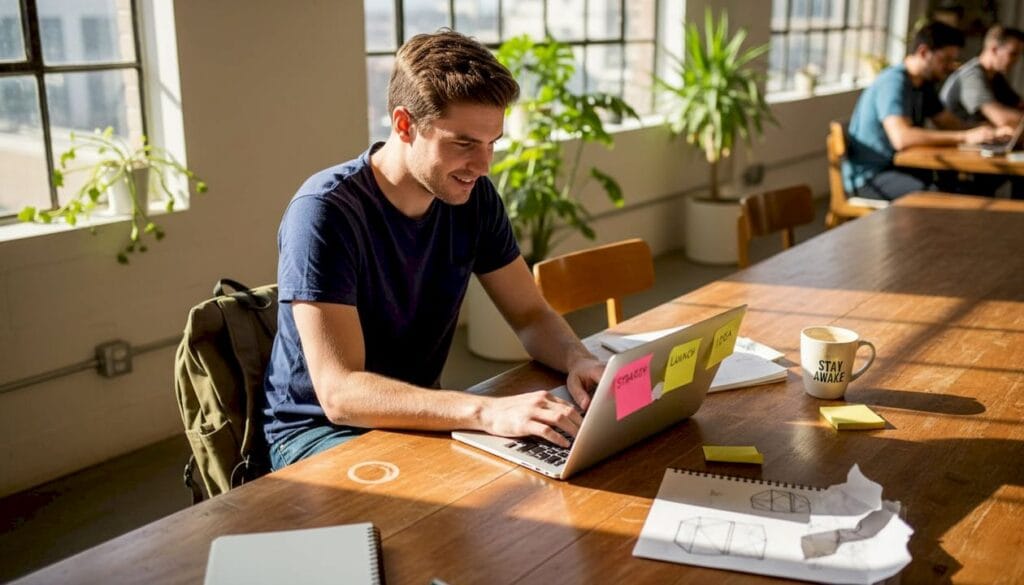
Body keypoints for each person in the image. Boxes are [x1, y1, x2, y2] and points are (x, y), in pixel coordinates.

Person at [262, 30, 606, 470]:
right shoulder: (324, 213)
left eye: (491, 144)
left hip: (415, 419)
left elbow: (530, 315)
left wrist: (579, 358)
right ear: (405, 125)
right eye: (463, 144)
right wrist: (484, 411)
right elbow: (340, 394)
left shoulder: (473, 197)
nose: (483, 167)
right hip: (316, 436)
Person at [843, 21, 1006, 201]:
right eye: (945, 60)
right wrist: (966, 137)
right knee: (942, 200)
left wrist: (989, 132)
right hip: (872, 176)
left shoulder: (923, 85)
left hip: (905, 168)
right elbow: (902, 139)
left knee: (972, 191)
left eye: (953, 60)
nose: (950, 66)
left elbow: (950, 124)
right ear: (923, 52)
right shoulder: (894, 82)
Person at [941, 24, 1024, 128]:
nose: (1016, 60)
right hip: (953, 141)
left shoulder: (996, 77)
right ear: (994, 49)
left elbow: (1019, 106)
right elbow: (1002, 119)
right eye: (1013, 54)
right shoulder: (971, 75)